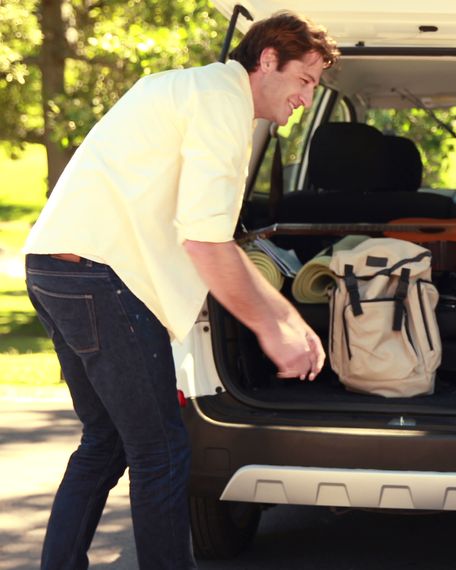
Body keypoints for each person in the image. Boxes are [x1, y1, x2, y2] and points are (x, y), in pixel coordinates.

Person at [22, 11, 338, 569]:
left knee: (105, 441)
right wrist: (274, 327)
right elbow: (206, 242)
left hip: (56, 270)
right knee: (160, 452)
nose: (305, 99)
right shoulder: (223, 103)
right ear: (267, 60)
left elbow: (204, 235)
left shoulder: (179, 85)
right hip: (103, 279)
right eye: (305, 81)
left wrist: (282, 317)